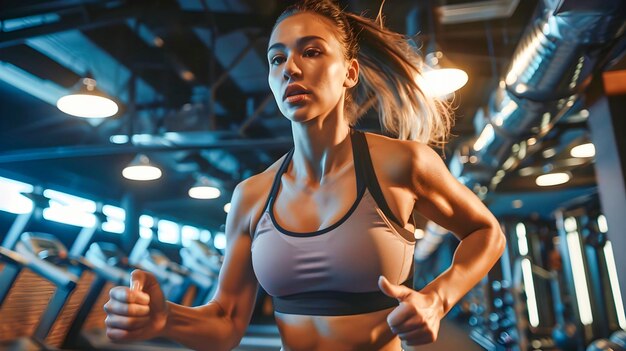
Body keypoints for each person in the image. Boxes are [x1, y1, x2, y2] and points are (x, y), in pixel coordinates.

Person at [103, 1, 506, 350]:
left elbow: (487, 233)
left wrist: (437, 298)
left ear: (349, 73)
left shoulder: (403, 164)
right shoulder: (252, 195)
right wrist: (166, 319)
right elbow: (225, 323)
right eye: (277, 59)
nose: (290, 67)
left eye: (311, 52)